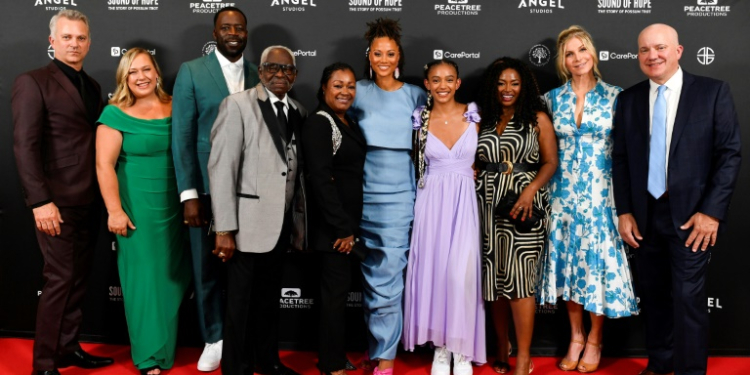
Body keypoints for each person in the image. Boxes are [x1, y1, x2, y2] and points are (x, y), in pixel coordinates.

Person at [612, 24, 741, 375]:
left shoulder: (712, 93)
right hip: (644, 215)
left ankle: (689, 371)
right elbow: (620, 159)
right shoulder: (629, 99)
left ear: (679, 50)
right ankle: (660, 362)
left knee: (687, 299)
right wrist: (624, 210)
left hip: (692, 217)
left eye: (660, 48)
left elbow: (729, 155)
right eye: (644, 50)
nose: (652, 56)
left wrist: (711, 213)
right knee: (653, 296)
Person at [12, 9, 114, 375]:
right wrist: (40, 201)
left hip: (89, 199)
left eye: (81, 38)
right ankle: (43, 364)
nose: (75, 43)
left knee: (78, 279)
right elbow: (25, 145)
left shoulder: (92, 85)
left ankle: (68, 348)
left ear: (89, 42)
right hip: (54, 202)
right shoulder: (33, 81)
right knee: (58, 281)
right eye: (67, 37)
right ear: (52, 41)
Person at [536, 25, 639, 373]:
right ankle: (575, 336)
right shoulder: (551, 100)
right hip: (562, 197)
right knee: (568, 265)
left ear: (592, 54)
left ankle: (595, 339)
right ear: (563, 61)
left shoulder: (616, 96)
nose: (577, 58)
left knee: (596, 268)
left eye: (582, 50)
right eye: (569, 53)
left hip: (602, 198)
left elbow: (627, 153)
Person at [209, 45, 307, 375]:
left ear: (295, 76)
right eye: (273, 68)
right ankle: (236, 368)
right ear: (261, 71)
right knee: (239, 304)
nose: (280, 74)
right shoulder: (237, 105)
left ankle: (268, 362)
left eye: (288, 70)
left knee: (268, 301)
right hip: (244, 226)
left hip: (280, 226)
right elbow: (222, 168)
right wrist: (224, 229)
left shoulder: (298, 110)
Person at [171, 7, 259, 371]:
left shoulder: (259, 73)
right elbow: (183, 136)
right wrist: (189, 193)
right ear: (215, 32)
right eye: (226, 27)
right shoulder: (192, 71)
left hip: (249, 190)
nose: (233, 32)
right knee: (206, 267)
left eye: (239, 27)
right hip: (206, 189)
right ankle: (213, 338)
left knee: (243, 270)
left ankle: (239, 338)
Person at [96, 48, 191, 375]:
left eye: (146, 69)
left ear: (157, 73)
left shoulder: (175, 106)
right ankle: (149, 357)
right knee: (143, 284)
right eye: (133, 71)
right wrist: (114, 211)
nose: (141, 76)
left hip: (175, 209)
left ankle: (164, 350)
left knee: (170, 279)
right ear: (124, 77)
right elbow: (104, 166)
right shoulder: (114, 114)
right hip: (137, 211)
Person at [347, 17, 427, 375]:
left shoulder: (416, 95)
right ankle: (378, 349)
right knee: (370, 276)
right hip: (362, 195)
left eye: (390, 53)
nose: (383, 59)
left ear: (399, 57)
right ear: (369, 55)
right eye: (377, 53)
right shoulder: (356, 91)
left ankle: (387, 358)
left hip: (400, 197)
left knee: (389, 277)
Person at [402, 59, 486, 375]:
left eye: (449, 79)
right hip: (431, 200)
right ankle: (441, 348)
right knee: (436, 273)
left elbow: (487, 155)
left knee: (461, 275)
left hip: (465, 200)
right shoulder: (419, 119)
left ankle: (461, 349)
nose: (442, 85)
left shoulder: (472, 114)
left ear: (458, 83)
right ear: (427, 84)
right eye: (435, 80)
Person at [475, 57, 557, 375]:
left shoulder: (537, 119)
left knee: (520, 283)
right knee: (494, 283)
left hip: (524, 205)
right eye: (501, 83)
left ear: (524, 86)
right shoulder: (482, 118)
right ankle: (501, 346)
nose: (507, 89)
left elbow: (550, 162)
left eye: (514, 83)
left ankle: (523, 356)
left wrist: (529, 191)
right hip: (486, 205)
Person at [302, 62, 366, 375]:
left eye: (351, 85)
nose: (345, 91)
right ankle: (330, 364)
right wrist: (342, 229)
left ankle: (335, 356)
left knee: (337, 297)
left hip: (346, 227)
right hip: (334, 231)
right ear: (324, 88)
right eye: (338, 85)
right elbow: (319, 178)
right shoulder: (319, 122)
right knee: (332, 298)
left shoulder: (347, 121)